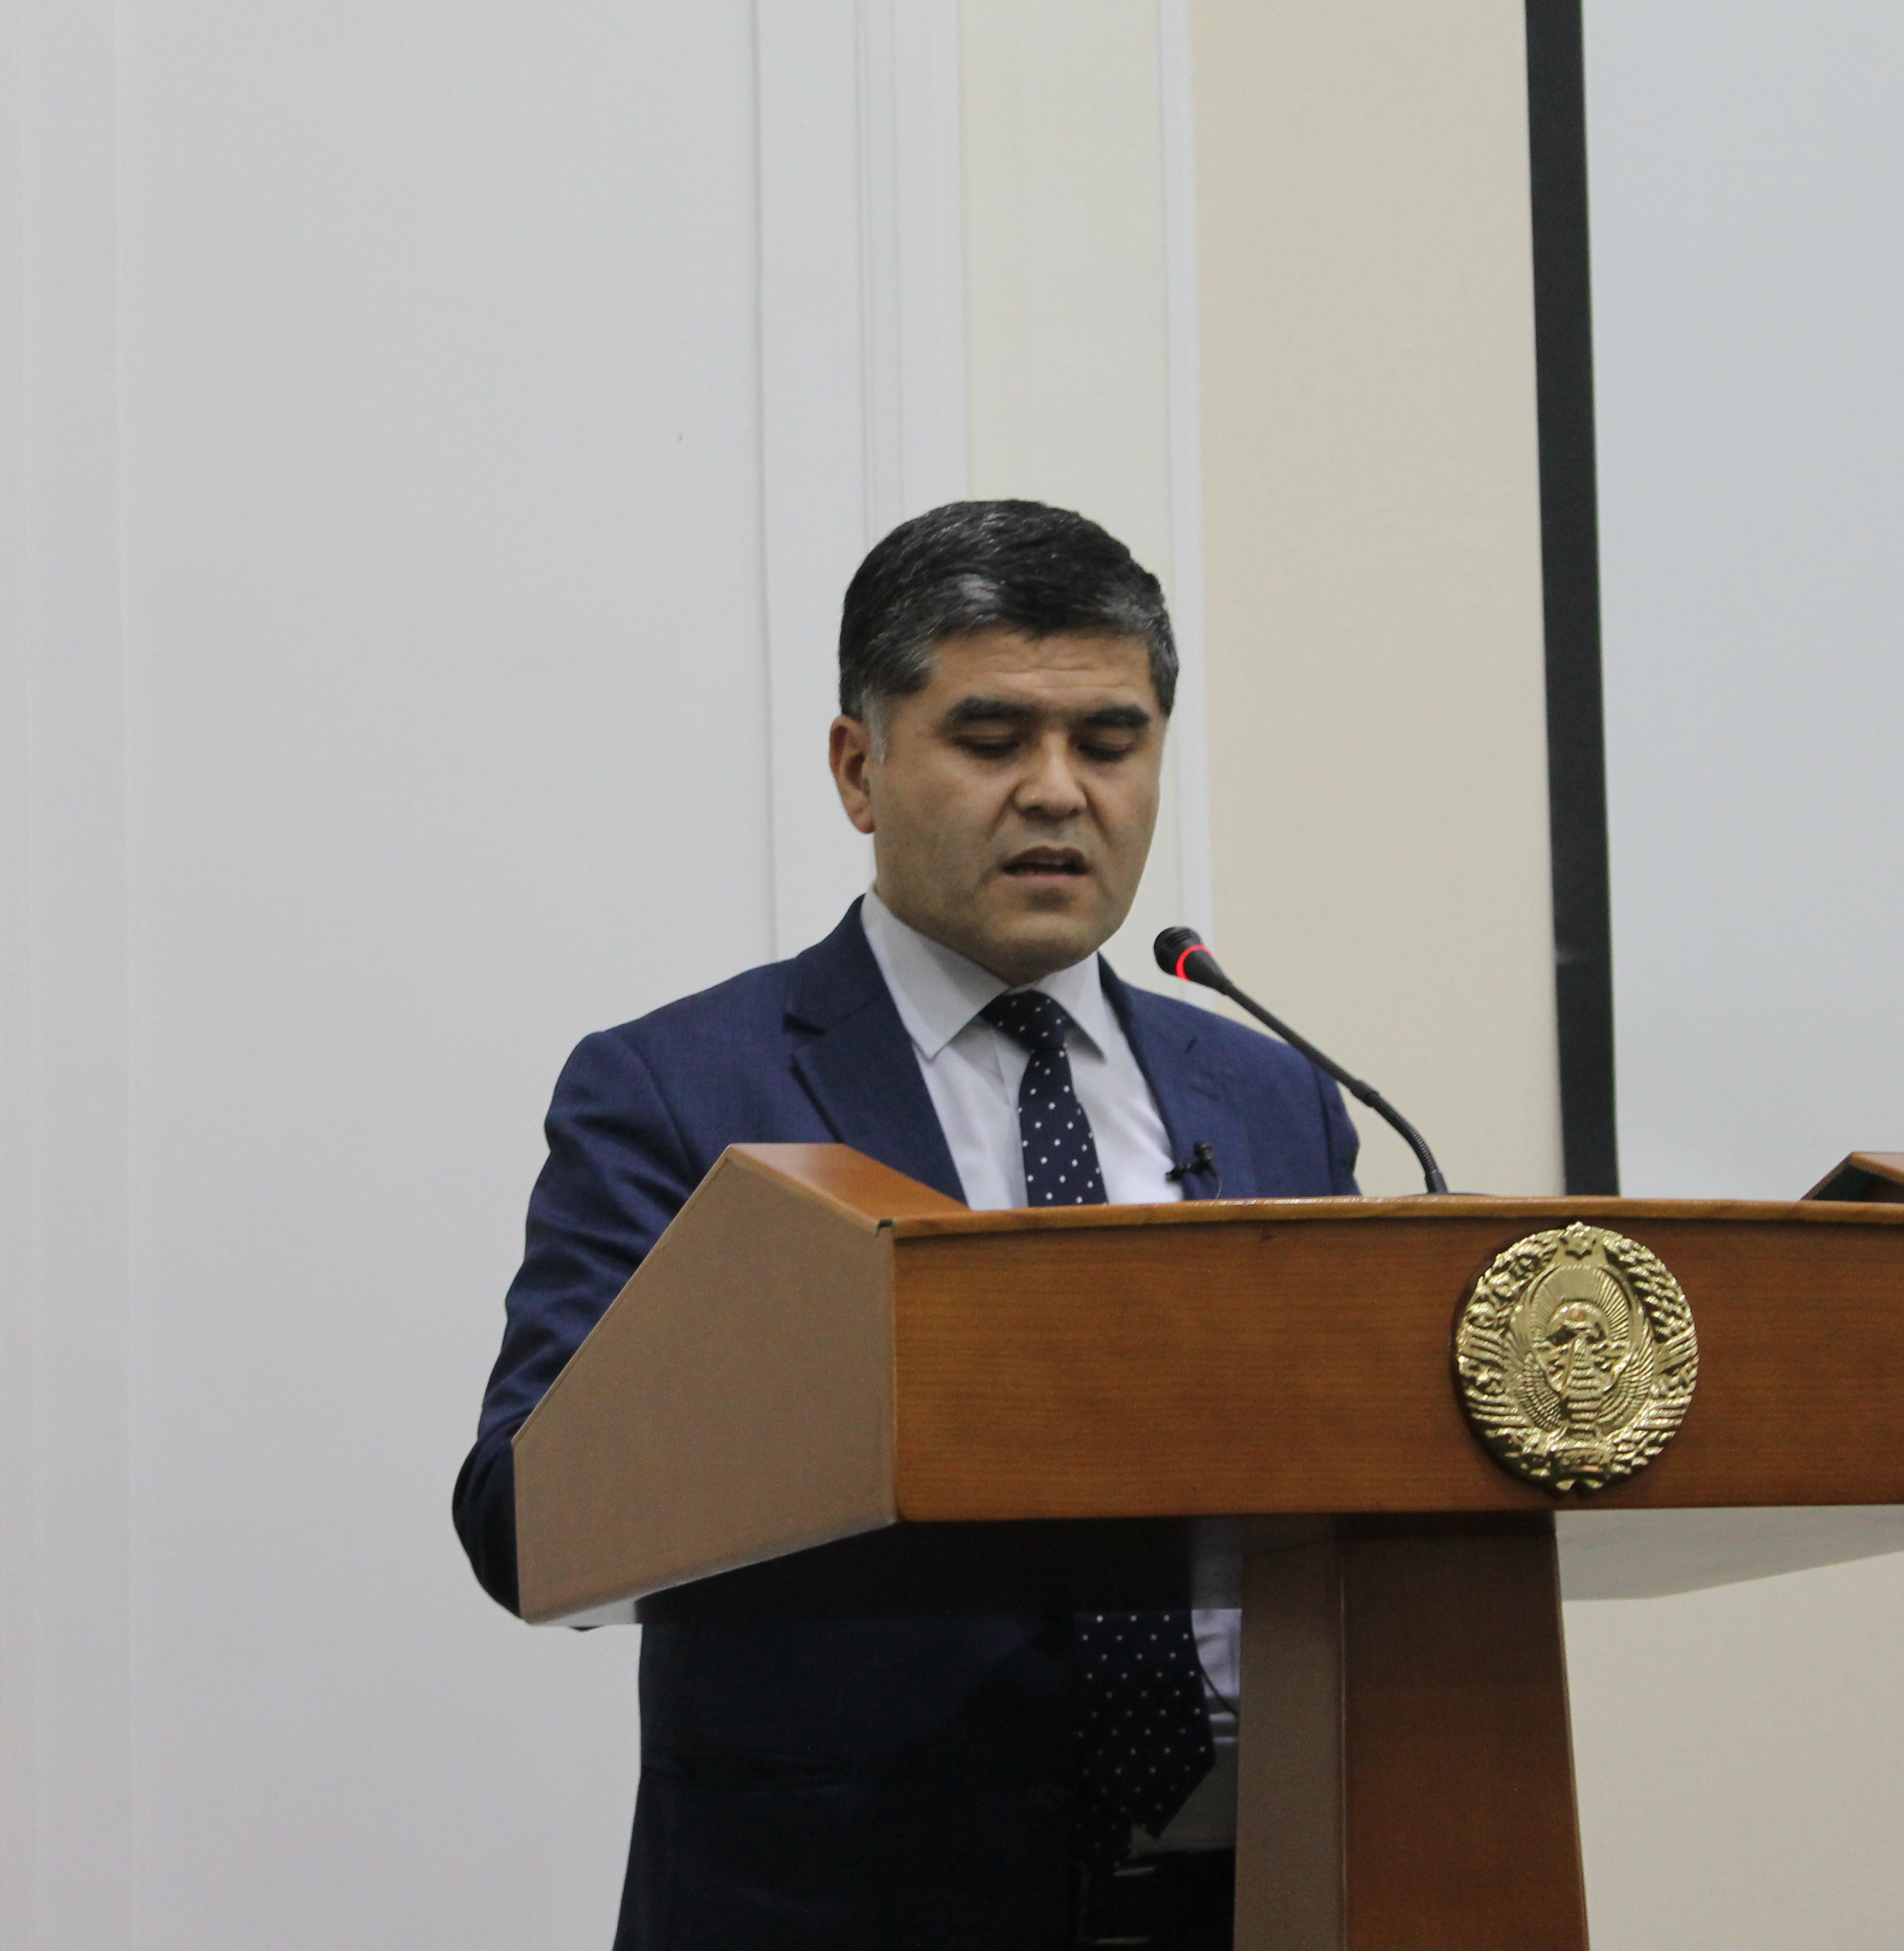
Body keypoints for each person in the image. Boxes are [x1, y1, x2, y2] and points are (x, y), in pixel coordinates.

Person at [453, 499, 1362, 1950]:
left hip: (1257, 1888)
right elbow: (525, 1514)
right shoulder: (683, 1092)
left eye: (1110, 743)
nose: (1057, 792)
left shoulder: (1274, 1097)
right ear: (858, 768)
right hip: (847, 1895)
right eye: (992, 741)